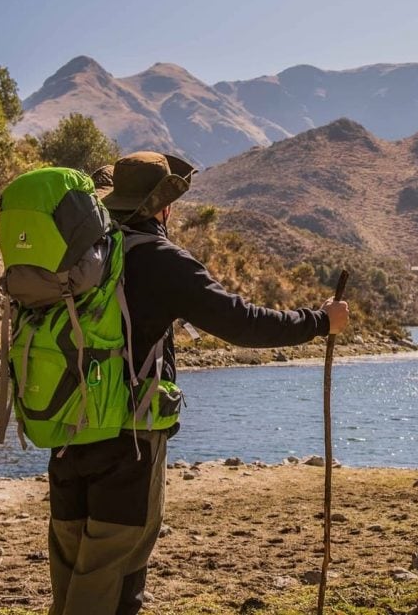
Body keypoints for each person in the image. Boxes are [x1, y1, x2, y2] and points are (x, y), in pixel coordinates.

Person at [46, 151, 349, 615]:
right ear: (163, 207)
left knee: (71, 580)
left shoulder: (77, 256)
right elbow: (244, 323)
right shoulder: (161, 260)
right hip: (128, 441)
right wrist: (318, 321)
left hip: (64, 430)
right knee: (115, 582)